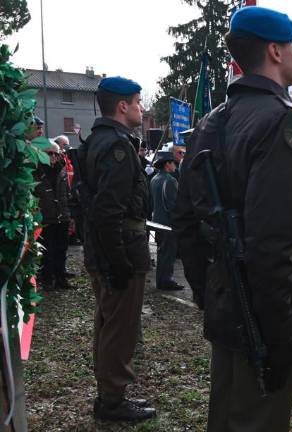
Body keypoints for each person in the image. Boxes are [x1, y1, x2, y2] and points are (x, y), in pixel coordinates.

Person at [172, 7, 292, 430]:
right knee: (259, 419)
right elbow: (271, 240)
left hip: (229, 297)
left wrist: (211, 293)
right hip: (267, 309)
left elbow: (185, 222)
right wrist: (278, 335)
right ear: (275, 51)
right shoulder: (280, 123)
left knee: (226, 416)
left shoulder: (211, 123)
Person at [76, 76, 155, 421]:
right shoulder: (118, 147)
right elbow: (109, 211)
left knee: (109, 324)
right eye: (138, 102)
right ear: (123, 106)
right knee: (120, 329)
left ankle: (110, 395)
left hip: (106, 250)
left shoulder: (99, 141)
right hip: (120, 250)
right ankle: (112, 401)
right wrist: (119, 261)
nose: (141, 108)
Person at [35, 142, 71, 291]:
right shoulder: (37, 172)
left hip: (61, 217)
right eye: (50, 153)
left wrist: (69, 215)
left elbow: (67, 194)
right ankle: (48, 279)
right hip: (46, 218)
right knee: (47, 251)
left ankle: (61, 277)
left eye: (56, 153)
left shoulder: (61, 171)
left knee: (61, 249)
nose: (54, 156)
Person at [150, 151, 183, 291]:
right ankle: (166, 280)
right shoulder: (170, 181)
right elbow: (173, 205)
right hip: (168, 223)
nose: (175, 165)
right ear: (167, 164)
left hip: (157, 220)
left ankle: (161, 280)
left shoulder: (154, 179)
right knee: (168, 253)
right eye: (173, 162)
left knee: (161, 252)